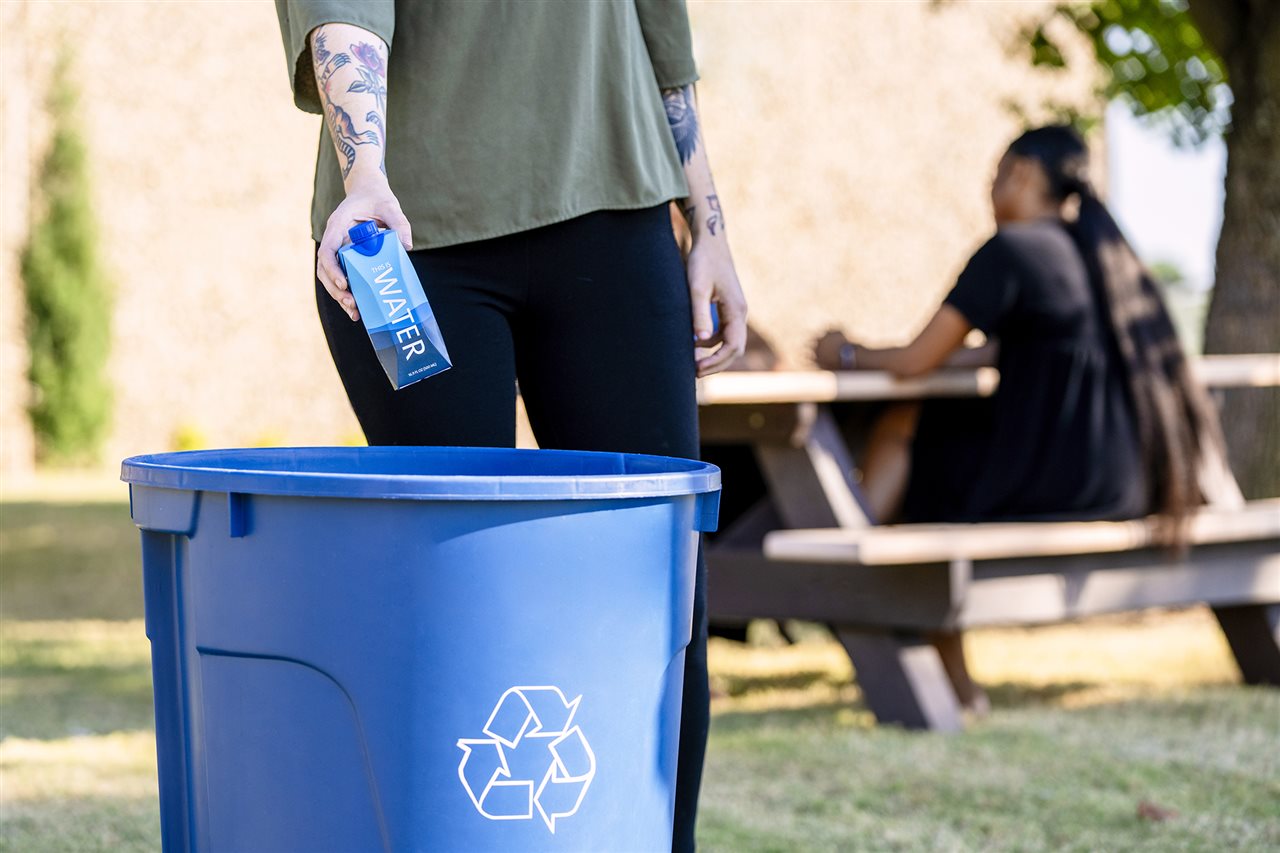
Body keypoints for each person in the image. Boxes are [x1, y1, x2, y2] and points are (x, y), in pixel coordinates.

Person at [273, 2, 748, 849]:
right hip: (412, 247)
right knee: (454, 600)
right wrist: (365, 176)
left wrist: (707, 223)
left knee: (662, 593)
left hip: (618, 213)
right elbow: (345, 17)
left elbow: (659, 34)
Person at [813, 125, 1237, 710]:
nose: (988, 190)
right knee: (933, 452)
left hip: (1056, 482)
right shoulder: (1107, 257)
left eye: (994, 175)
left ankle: (844, 569)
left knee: (911, 434)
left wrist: (846, 352)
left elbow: (915, 360)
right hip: (1128, 482)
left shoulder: (1010, 251)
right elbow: (1012, 348)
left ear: (1023, 175)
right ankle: (947, 673)